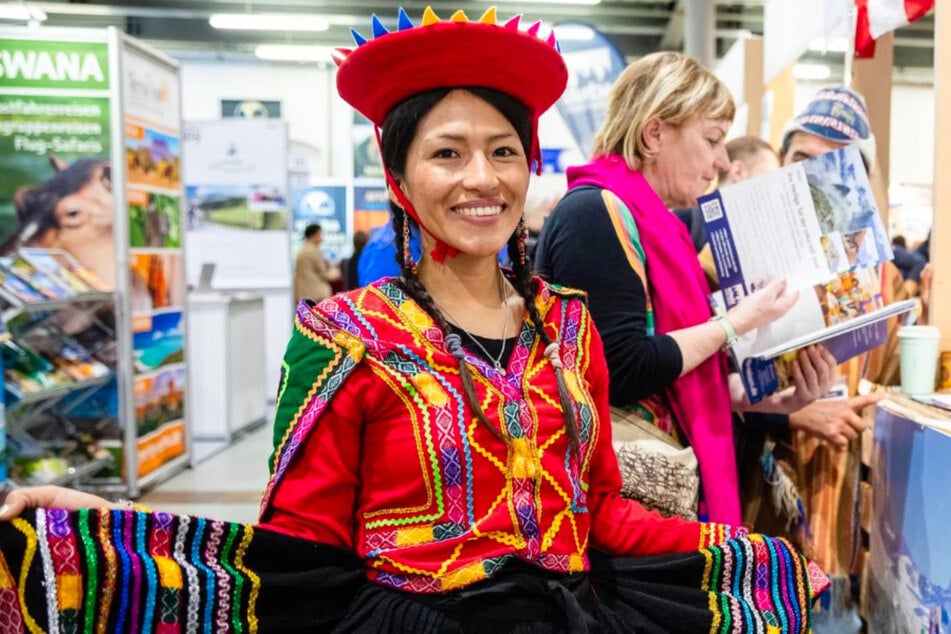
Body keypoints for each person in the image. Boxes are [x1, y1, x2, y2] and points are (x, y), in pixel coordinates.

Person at [0, 9, 828, 632]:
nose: (481, 178)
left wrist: (740, 554)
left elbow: (597, 508)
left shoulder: (569, 328)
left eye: (503, 151)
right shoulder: (343, 337)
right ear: (398, 179)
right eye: (447, 152)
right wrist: (106, 525)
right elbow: (298, 545)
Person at [535, 51, 839, 527]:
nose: (721, 159)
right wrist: (736, 323)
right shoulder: (593, 213)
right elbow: (623, 368)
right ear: (654, 134)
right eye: (712, 139)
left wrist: (779, 403)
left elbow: (683, 381)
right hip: (616, 511)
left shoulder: (664, 227)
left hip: (658, 498)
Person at [293, 223, 341, 303]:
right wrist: (334, 273)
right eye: (320, 234)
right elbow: (324, 274)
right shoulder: (314, 251)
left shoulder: (302, 250)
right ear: (313, 235)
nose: (322, 238)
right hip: (316, 295)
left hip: (304, 294)